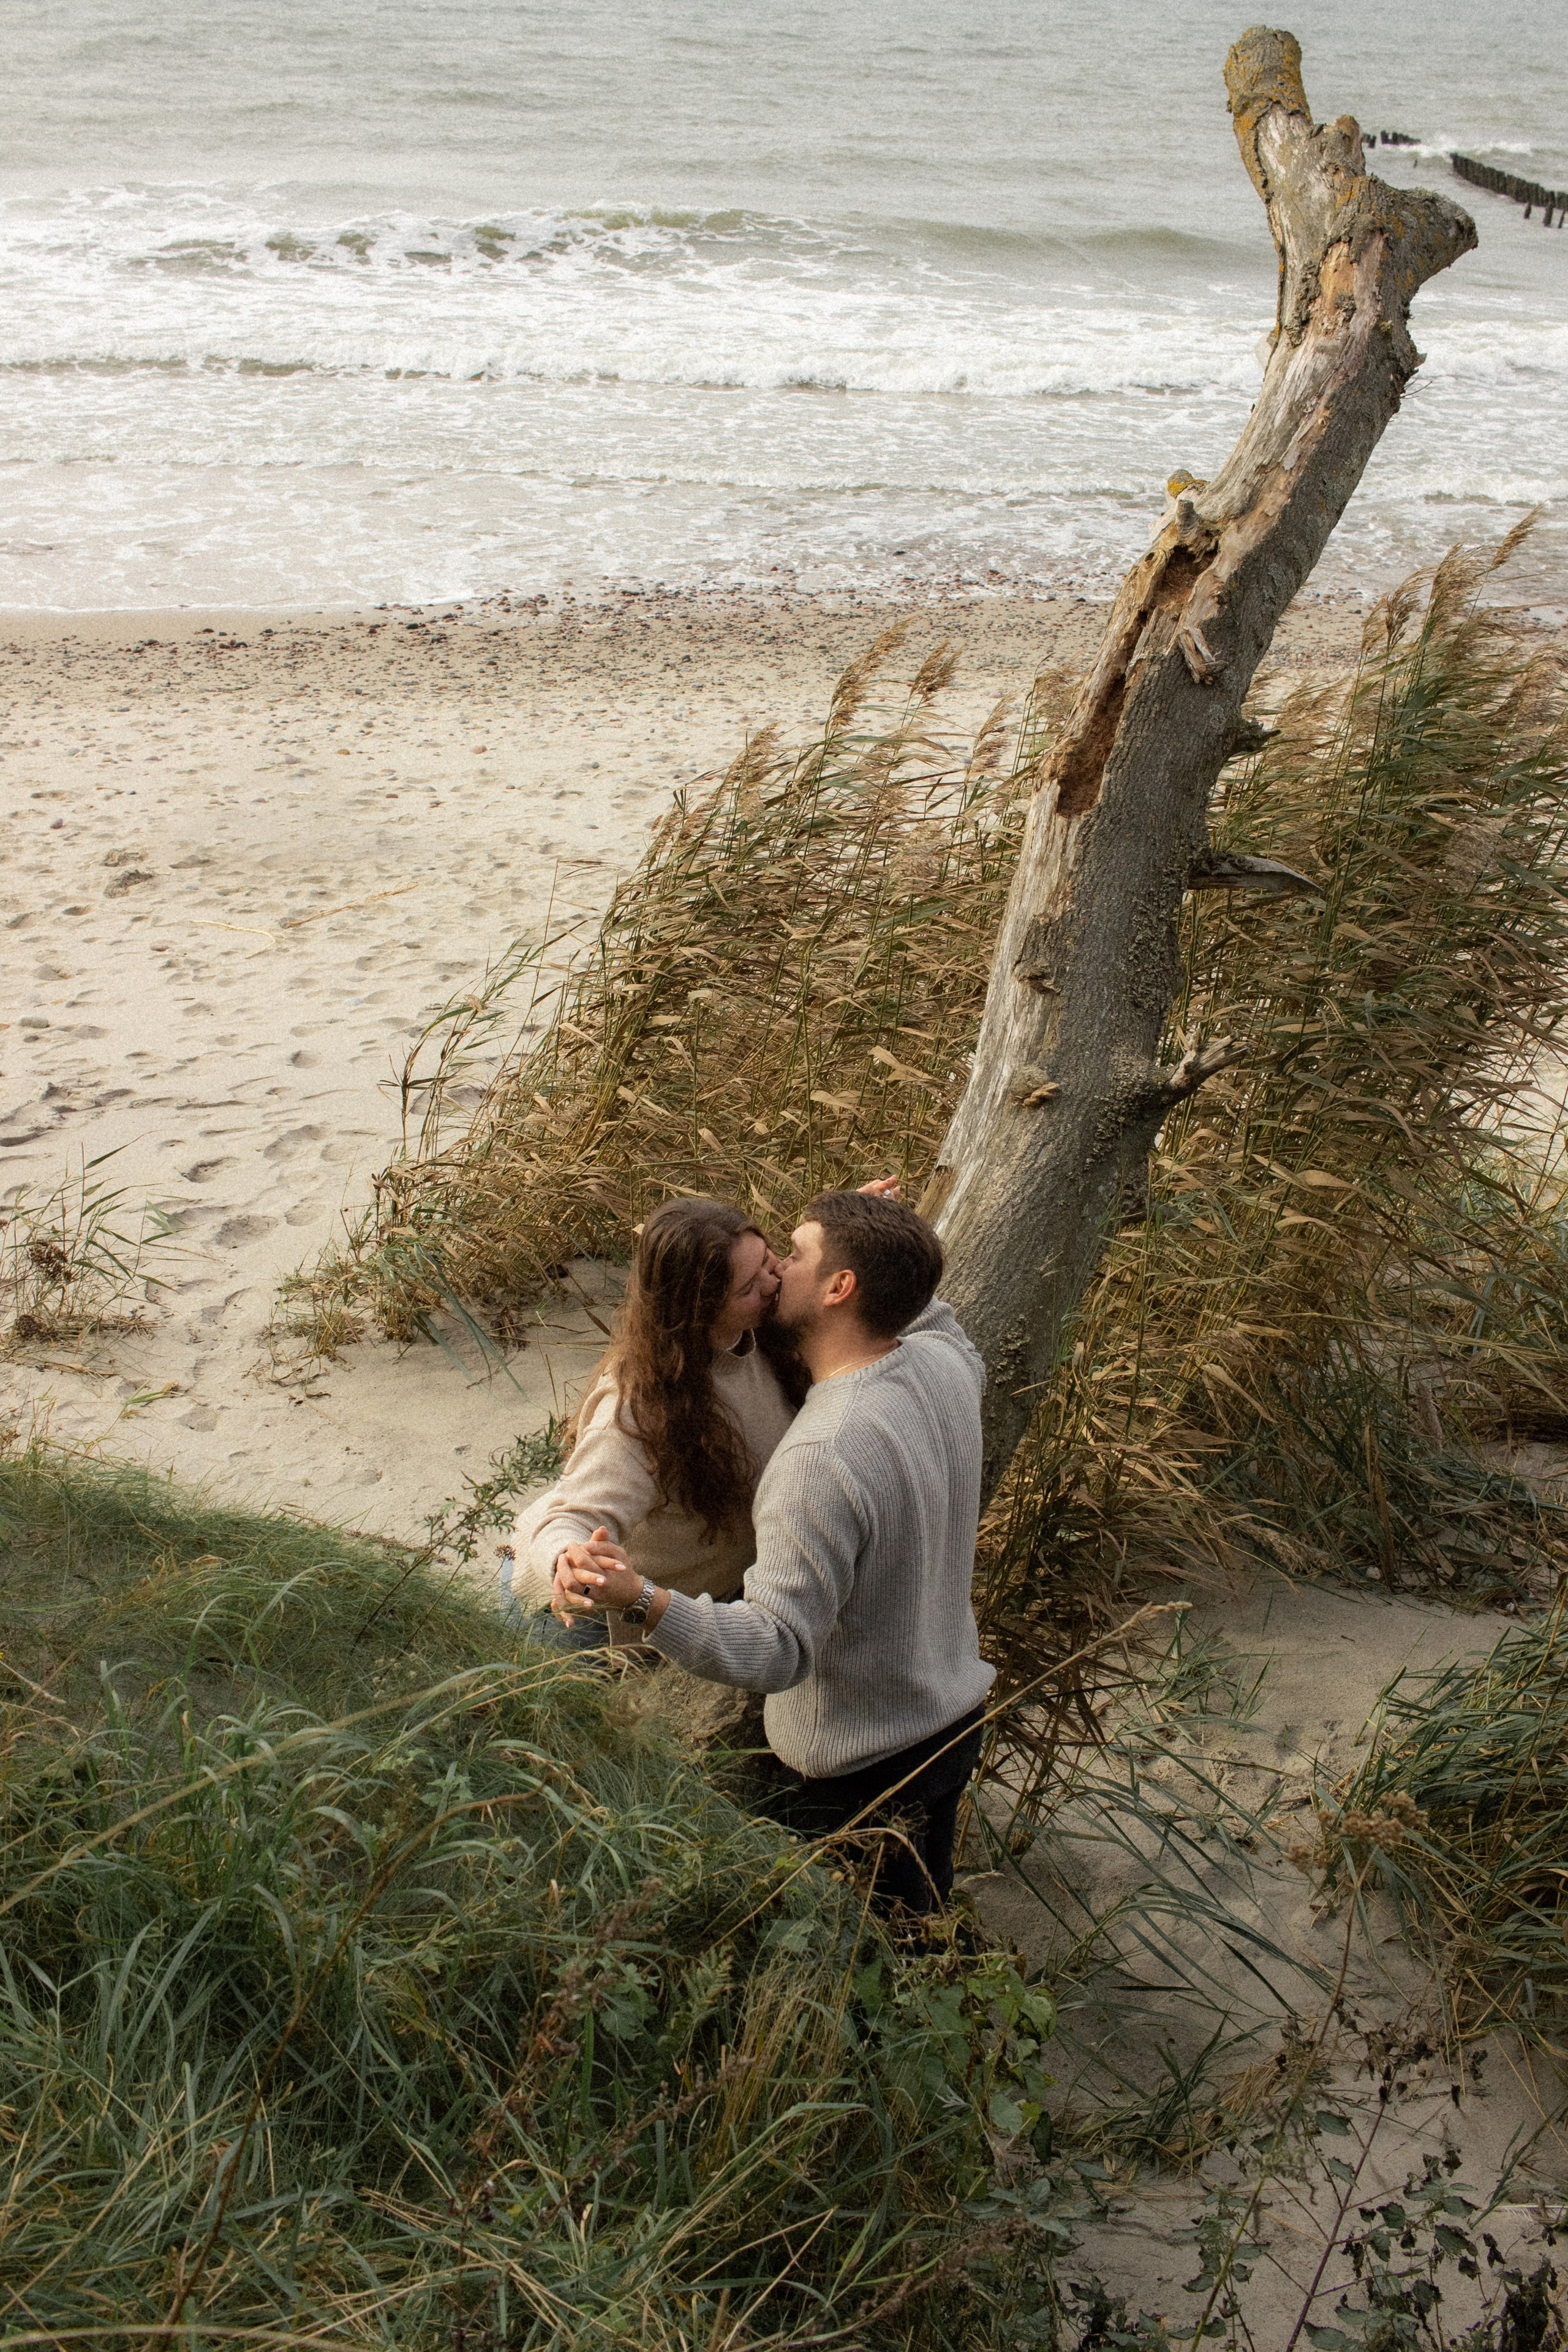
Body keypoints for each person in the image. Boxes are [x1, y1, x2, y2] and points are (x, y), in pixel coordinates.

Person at [559, 1190, 993, 1916]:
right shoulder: (948, 1363)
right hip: (953, 1723)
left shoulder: (819, 1457)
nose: (776, 1273)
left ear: (838, 1288)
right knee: (923, 1930)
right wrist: (881, 1241)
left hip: (862, 1764)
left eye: (792, 1256)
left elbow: (776, 1649)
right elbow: (933, 1314)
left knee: (852, 1964)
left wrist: (642, 1600)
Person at [503, 1182, 899, 1648]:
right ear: (698, 1308)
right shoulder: (644, 1403)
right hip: (579, 1622)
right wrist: (568, 1560)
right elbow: (573, 1515)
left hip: (697, 1604)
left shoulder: (758, 1330)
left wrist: (846, 1237)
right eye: (750, 1288)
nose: (775, 1285)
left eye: (770, 1261)